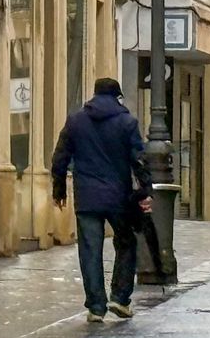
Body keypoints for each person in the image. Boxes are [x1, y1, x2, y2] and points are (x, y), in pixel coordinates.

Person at [51, 77, 152, 323]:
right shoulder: (127, 122)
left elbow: (60, 157)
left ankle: (96, 306)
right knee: (126, 242)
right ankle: (120, 297)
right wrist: (146, 190)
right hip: (119, 196)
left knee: (89, 250)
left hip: (86, 197)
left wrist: (59, 190)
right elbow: (138, 159)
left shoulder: (76, 122)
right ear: (117, 96)